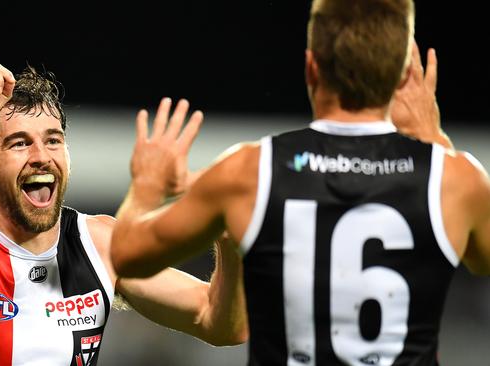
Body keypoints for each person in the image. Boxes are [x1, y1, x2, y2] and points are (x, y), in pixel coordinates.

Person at [110, 0, 490, 364]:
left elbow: (127, 255)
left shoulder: (247, 171)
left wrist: (147, 185)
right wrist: (434, 141)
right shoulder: (455, 180)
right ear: (400, 75)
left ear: (311, 68)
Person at [0, 62, 247, 365]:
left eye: (53, 140)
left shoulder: (102, 244)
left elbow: (221, 323)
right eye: (20, 143)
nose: (41, 156)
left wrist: (227, 238)